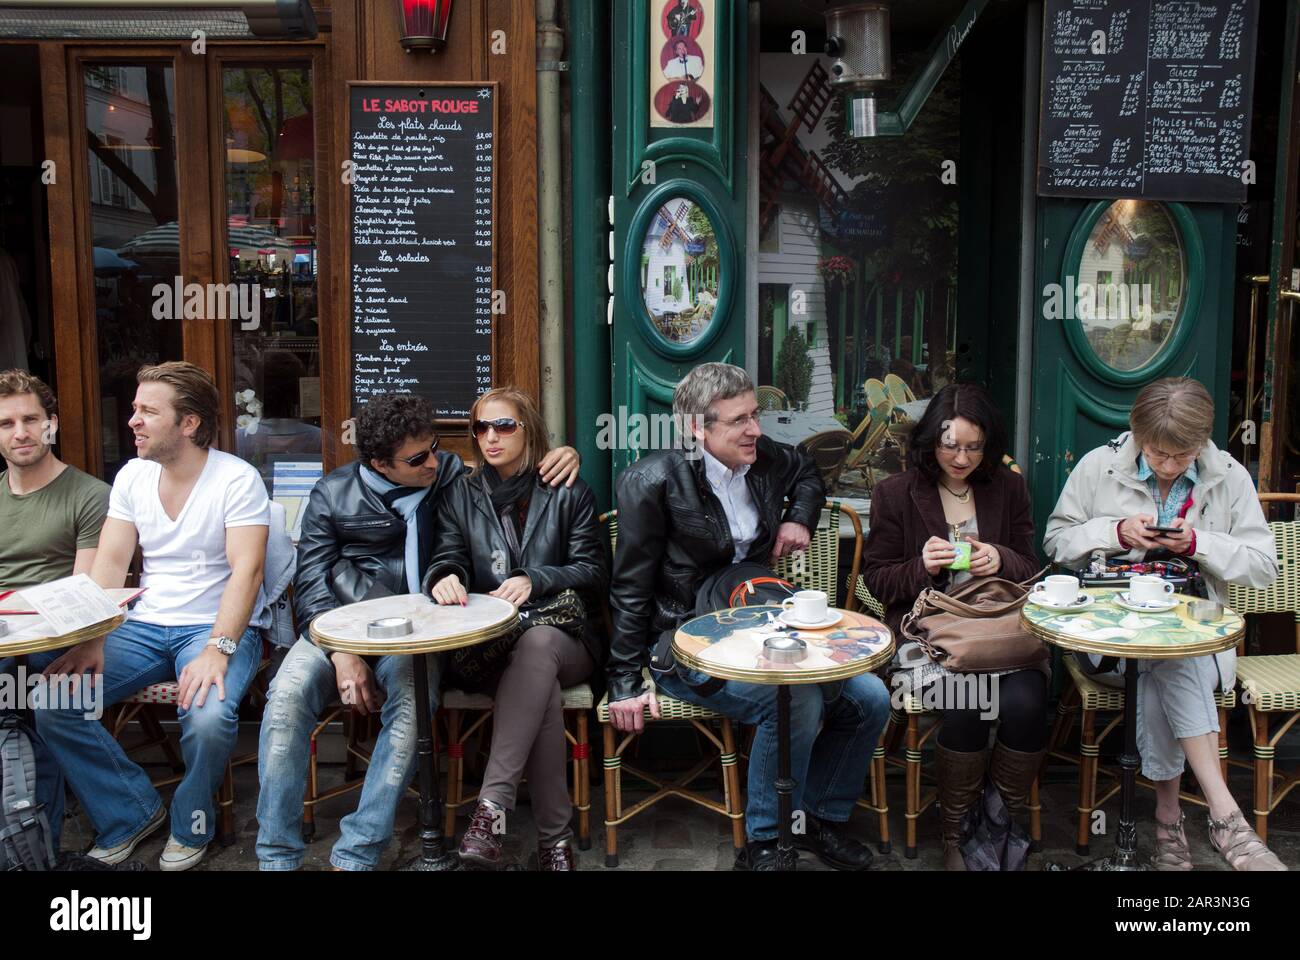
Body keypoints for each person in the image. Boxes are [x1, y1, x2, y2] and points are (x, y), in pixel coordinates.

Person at [256, 393, 582, 871]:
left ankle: (357, 855)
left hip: (419, 635)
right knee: (284, 703)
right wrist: (341, 656)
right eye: (417, 458)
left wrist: (565, 451)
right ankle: (276, 857)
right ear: (378, 463)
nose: (433, 460)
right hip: (338, 632)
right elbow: (310, 583)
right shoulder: (332, 493)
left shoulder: (447, 475)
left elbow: (510, 467)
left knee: (411, 712)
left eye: (433, 447)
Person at [607, 362, 891, 871]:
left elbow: (807, 471)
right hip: (684, 642)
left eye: (755, 415)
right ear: (698, 427)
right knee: (797, 699)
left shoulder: (764, 460)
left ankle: (817, 819)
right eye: (739, 420)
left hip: (762, 627)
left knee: (871, 697)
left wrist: (798, 518)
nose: (755, 430)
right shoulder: (650, 481)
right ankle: (766, 840)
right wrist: (625, 680)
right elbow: (629, 589)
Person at [33, 361, 270, 872]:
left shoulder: (237, 479)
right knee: (53, 701)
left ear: (189, 423)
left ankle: (192, 820)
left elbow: (246, 573)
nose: (132, 421)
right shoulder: (133, 475)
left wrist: (216, 649)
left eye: (147, 411)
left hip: (218, 627)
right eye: (135, 409)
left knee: (207, 719)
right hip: (141, 625)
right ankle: (131, 813)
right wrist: (93, 639)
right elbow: (111, 565)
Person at [1044, 377, 1287, 871]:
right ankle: (1224, 822)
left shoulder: (1229, 475)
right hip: (1108, 644)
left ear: (1202, 444)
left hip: (1194, 643)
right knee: (1164, 658)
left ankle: (1170, 818)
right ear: (1137, 435)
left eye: (1183, 456)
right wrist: (1113, 532)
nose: (1170, 466)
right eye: (1158, 455)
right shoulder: (1099, 466)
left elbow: (1266, 566)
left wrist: (1200, 544)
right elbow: (1055, 541)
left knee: (1167, 658)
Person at [861, 382, 1047, 869]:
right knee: (967, 706)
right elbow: (876, 582)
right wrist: (924, 566)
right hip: (924, 638)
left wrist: (999, 557)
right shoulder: (895, 493)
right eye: (950, 445)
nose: (961, 458)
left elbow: (1032, 564)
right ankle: (957, 832)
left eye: (973, 447)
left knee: (1028, 702)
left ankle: (997, 820)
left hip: (999, 631)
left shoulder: (1007, 487)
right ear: (930, 441)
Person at [425, 387, 606, 871]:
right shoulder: (460, 493)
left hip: (566, 637)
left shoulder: (567, 490)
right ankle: (555, 843)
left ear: (529, 430)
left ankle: (490, 812)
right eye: (481, 427)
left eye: (504, 425)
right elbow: (448, 555)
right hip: (492, 645)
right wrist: (445, 577)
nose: (491, 437)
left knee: (540, 642)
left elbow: (594, 571)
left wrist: (537, 578)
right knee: (537, 685)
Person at [0, 369, 110, 854]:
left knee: (25, 698)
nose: (19, 432)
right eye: (5, 423)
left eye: (30, 419)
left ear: (52, 425)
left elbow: (82, 595)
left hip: (53, 639)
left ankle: (29, 841)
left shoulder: (89, 496)